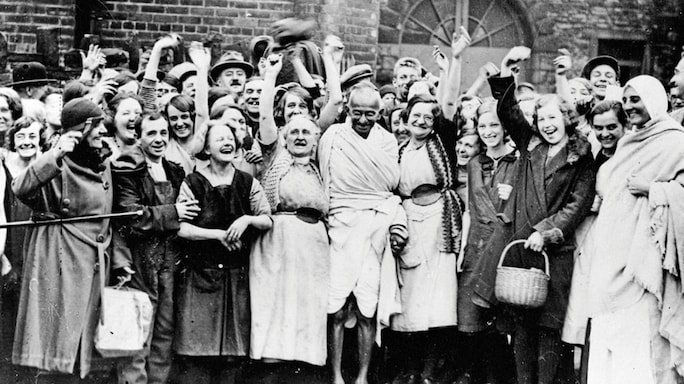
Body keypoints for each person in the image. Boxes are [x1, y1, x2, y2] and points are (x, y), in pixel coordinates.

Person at [478, 59, 595, 383]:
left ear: (566, 119)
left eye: (553, 118)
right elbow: (510, 114)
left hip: (554, 253)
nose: (546, 124)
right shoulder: (531, 146)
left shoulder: (581, 155)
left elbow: (578, 204)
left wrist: (546, 233)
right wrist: (502, 78)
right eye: (541, 119)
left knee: (549, 327)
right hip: (523, 246)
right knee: (522, 326)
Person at [566, 75, 684, 384]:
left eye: (637, 99)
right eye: (628, 99)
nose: (631, 106)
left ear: (657, 102)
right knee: (607, 349)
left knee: (637, 355)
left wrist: (653, 189)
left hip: (642, 265)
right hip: (608, 262)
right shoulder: (629, 142)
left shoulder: (676, 142)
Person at [11, 97, 132, 381]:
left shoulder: (103, 164)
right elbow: (21, 187)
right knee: (58, 352)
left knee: (86, 356)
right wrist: (54, 155)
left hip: (94, 263)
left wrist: (119, 260)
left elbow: (108, 217)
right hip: (61, 261)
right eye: (97, 126)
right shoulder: (57, 164)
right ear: (79, 130)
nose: (103, 132)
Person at [318, 82, 407, 384]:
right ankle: (335, 376)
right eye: (357, 113)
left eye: (370, 114)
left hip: (373, 228)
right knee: (338, 307)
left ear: (380, 112)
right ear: (348, 110)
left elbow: (390, 181)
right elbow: (328, 180)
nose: (363, 120)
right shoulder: (334, 137)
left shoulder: (387, 141)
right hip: (340, 226)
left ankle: (363, 377)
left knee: (368, 307)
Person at [174, 120, 272, 383]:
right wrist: (217, 235)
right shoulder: (193, 182)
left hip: (235, 277)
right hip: (200, 276)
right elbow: (182, 228)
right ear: (206, 147)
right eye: (219, 139)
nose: (227, 143)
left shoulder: (247, 182)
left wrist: (246, 220)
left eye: (230, 138)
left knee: (233, 355)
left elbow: (267, 219)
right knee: (197, 355)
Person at [248, 110, 329, 378]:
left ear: (316, 140)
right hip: (278, 240)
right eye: (294, 132)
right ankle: (272, 366)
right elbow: (266, 122)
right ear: (284, 138)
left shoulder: (321, 166)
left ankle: (303, 366)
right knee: (276, 302)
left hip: (313, 243)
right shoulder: (277, 160)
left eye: (306, 132)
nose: (300, 137)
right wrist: (271, 75)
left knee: (308, 302)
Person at [113, 113, 191, 384]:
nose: (158, 139)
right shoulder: (128, 169)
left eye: (163, 133)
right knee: (137, 333)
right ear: (139, 136)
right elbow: (130, 217)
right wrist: (173, 211)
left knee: (164, 332)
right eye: (151, 133)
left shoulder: (175, 170)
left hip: (170, 260)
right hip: (139, 260)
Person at [390, 94, 461, 383]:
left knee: (438, 302)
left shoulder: (440, 143)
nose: (420, 121)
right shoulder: (399, 150)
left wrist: (452, 63)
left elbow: (448, 108)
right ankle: (411, 370)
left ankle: (430, 373)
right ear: (406, 118)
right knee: (411, 300)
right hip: (409, 218)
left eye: (427, 117)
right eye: (415, 115)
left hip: (439, 221)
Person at [458, 100, 518, 384]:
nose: (488, 131)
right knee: (471, 319)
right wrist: (462, 250)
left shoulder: (518, 161)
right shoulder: (473, 164)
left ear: (505, 127)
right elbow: (469, 209)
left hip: (502, 246)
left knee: (499, 324)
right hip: (476, 245)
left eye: (494, 124)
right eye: (482, 126)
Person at [0, 116, 43, 380]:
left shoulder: (46, 166)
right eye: (21, 137)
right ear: (12, 141)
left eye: (32, 137)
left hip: (38, 250)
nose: (27, 142)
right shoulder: (4, 169)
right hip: (12, 250)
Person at [103, 92, 144, 160]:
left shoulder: (148, 146)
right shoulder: (102, 146)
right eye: (126, 113)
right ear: (112, 118)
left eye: (137, 113)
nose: (133, 118)